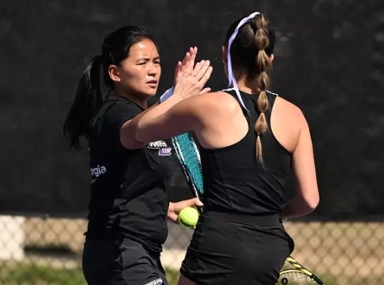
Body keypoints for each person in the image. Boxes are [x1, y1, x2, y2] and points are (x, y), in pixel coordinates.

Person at [134, 12, 320, 285]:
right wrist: (271, 215)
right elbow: (309, 200)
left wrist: (179, 94)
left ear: (226, 55)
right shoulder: (295, 116)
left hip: (217, 245)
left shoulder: (205, 107)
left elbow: (139, 131)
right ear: (270, 59)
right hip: (271, 249)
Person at [62, 26, 210, 285]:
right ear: (115, 73)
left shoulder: (148, 115)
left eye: (156, 62)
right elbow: (137, 131)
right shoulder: (115, 114)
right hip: (119, 251)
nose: (152, 70)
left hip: (141, 252)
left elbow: (124, 183)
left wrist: (163, 207)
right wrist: (177, 98)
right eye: (142, 63)